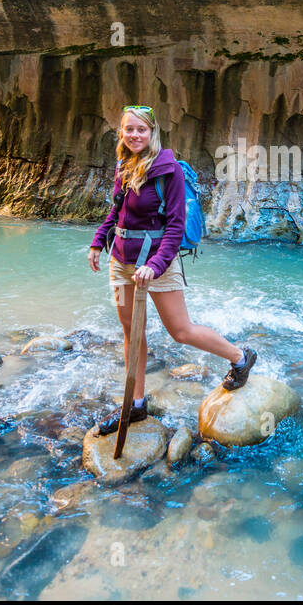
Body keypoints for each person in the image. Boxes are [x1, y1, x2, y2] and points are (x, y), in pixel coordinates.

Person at [87, 105, 256, 435]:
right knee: (132, 334)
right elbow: (116, 213)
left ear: (152, 132)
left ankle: (240, 357)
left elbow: (175, 227)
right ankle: (135, 405)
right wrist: (97, 242)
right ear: (121, 132)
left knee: (180, 330)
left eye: (141, 129)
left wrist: (155, 265)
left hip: (158, 263)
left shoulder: (167, 170)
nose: (134, 135)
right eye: (129, 129)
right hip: (120, 263)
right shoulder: (124, 165)